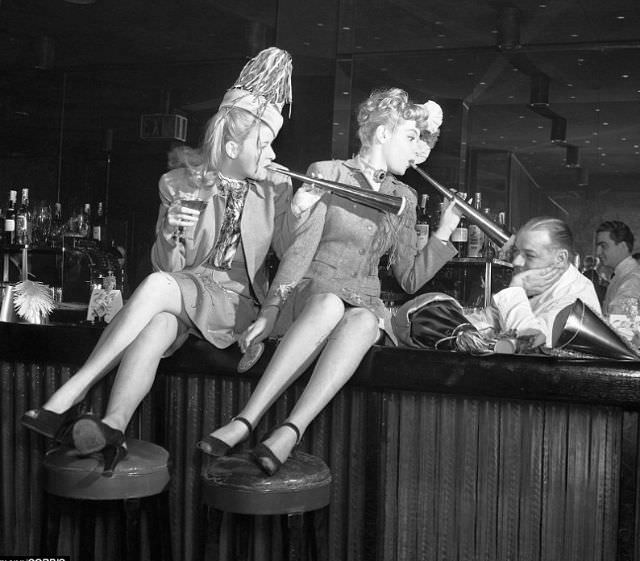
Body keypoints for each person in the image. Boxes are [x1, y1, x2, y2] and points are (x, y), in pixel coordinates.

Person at [21, 47, 303, 476]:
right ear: (231, 144)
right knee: (156, 322)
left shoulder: (277, 188)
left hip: (235, 303)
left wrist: (301, 212)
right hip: (186, 292)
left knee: (155, 290)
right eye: (262, 145)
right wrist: (172, 229)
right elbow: (170, 266)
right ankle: (114, 427)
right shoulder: (177, 184)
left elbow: (288, 253)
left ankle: (70, 394)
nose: (270, 154)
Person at [197, 87, 462, 475]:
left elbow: (409, 279)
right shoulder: (329, 173)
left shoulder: (403, 197)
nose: (416, 149)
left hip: (364, 304)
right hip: (314, 294)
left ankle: (289, 430)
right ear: (383, 133)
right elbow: (299, 252)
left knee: (366, 320)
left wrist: (443, 235)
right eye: (410, 137)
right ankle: (246, 419)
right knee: (331, 304)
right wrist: (270, 311)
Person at [466, 217, 601, 347]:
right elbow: (472, 325)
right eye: (516, 252)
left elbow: (528, 344)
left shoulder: (575, 300)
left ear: (560, 258)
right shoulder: (534, 287)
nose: (516, 262)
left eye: (530, 255)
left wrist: (516, 288)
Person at [595, 220, 640, 316]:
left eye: (603, 246)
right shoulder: (623, 276)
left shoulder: (631, 281)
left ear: (623, 246)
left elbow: (622, 327)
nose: (598, 252)